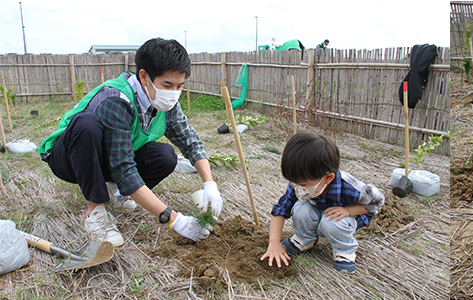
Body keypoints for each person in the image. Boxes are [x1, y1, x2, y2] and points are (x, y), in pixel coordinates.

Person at [38, 38, 222, 247]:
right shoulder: (116, 99)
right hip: (70, 158)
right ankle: (95, 211)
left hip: (109, 156)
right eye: (167, 85)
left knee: (165, 156)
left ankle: (120, 192)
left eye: (179, 86)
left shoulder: (167, 104)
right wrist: (174, 220)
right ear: (144, 76)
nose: (173, 93)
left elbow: (190, 141)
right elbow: (123, 167)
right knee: (87, 125)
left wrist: (209, 183)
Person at [260, 131, 384, 273]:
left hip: (344, 218)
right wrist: (274, 243)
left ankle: (345, 250)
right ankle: (305, 239)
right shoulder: (300, 183)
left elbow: (378, 201)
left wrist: (348, 211)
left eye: (304, 185)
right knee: (300, 208)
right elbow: (281, 210)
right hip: (318, 209)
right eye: (294, 183)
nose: (298, 188)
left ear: (328, 178)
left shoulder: (350, 188)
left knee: (330, 223)